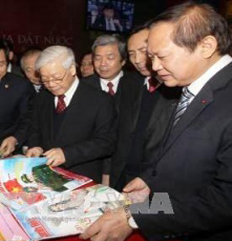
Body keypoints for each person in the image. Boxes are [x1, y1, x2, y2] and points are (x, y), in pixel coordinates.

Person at [80, 2, 232, 241]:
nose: (154, 67)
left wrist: (135, 216)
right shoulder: (190, 86)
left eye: (161, 57)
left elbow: (224, 201)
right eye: (151, 57)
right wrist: (151, 182)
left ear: (206, 46)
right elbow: (191, 170)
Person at [25, 45, 115, 183]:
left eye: (56, 77)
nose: (51, 84)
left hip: (82, 177)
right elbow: (35, 129)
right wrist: (35, 146)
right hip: (46, 175)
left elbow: (105, 143)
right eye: (45, 79)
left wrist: (67, 154)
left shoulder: (100, 100)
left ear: (72, 69)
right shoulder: (42, 97)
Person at [110, 24, 181, 190]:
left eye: (143, 51)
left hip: (156, 182)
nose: (137, 60)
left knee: (146, 215)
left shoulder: (179, 88)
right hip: (122, 175)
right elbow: (115, 130)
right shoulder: (128, 83)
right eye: (132, 54)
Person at [83, 34, 143, 185]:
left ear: (123, 61)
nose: (102, 64)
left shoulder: (138, 85)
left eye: (110, 58)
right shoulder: (82, 88)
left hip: (129, 170)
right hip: (91, 167)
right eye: (97, 58)